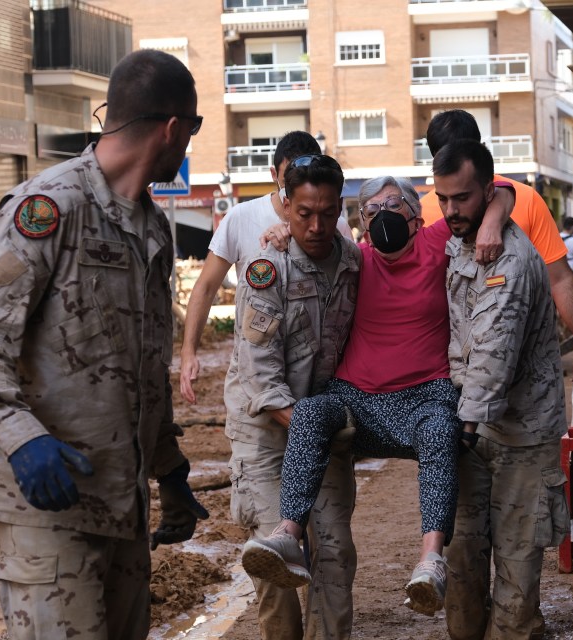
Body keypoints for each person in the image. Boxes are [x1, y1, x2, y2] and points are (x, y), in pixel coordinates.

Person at [0, 49, 209, 640]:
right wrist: (20, 437)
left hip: (121, 502)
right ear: (173, 128)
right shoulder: (51, 208)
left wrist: (169, 470)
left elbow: (143, 363)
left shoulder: (150, 227)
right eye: (193, 129)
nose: (189, 141)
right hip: (44, 507)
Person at [244, 175, 514, 619]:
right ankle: (287, 535)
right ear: (361, 223)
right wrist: (282, 232)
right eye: (372, 211)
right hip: (356, 398)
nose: (383, 216)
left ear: (417, 214)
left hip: (425, 395)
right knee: (310, 413)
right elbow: (310, 235)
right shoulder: (353, 258)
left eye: (394, 206)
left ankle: (431, 559)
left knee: (440, 432)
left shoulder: (437, 241)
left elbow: (498, 187)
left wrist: (493, 221)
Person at [434, 139, 570, 640]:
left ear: (489, 192)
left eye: (463, 199)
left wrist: (455, 432)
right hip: (473, 432)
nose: (451, 210)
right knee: (462, 562)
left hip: (522, 440)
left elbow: (493, 355)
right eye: (443, 199)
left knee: (515, 577)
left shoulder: (510, 259)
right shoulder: (457, 240)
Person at [224, 153, 361, 639]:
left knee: (335, 553)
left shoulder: (352, 262)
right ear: (286, 207)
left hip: (321, 429)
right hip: (265, 430)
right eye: (305, 213)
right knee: (274, 564)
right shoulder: (266, 269)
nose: (318, 225)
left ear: (340, 207)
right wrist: (318, 427)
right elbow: (260, 377)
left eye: (328, 212)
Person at [420, 109, 573, 393]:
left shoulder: (525, 199)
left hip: (524, 380)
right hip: (449, 378)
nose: (452, 207)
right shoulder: (422, 213)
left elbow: (560, 279)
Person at [180, 131, 352, 405]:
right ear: (274, 174)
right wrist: (189, 352)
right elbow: (206, 287)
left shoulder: (336, 227)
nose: (316, 225)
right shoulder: (240, 217)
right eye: (289, 179)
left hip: (319, 386)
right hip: (254, 380)